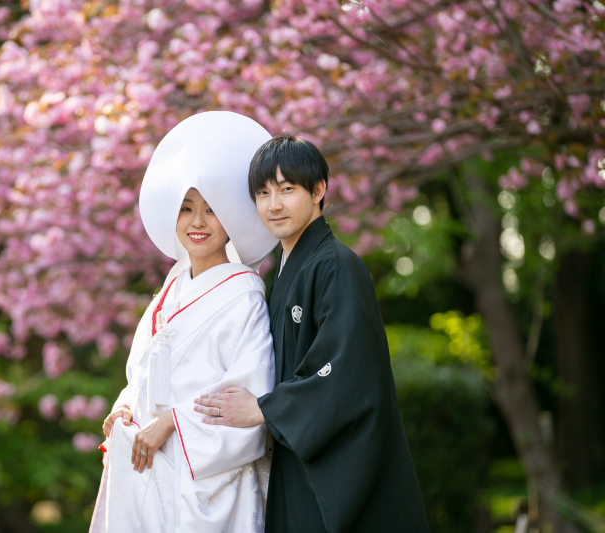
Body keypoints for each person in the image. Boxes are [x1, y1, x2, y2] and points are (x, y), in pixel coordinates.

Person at [193, 135, 430, 532]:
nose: (274, 204)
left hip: (329, 466)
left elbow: (346, 369)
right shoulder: (285, 270)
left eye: (287, 189)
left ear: (318, 190)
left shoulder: (337, 265)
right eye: (264, 193)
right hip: (295, 454)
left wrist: (265, 410)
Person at [89, 112, 279, 533]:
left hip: (204, 477)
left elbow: (250, 391)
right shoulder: (172, 285)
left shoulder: (244, 294)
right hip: (148, 465)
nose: (197, 222)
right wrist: (126, 405)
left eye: (212, 210)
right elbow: (143, 367)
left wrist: (173, 423)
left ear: (230, 218)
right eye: (187, 208)